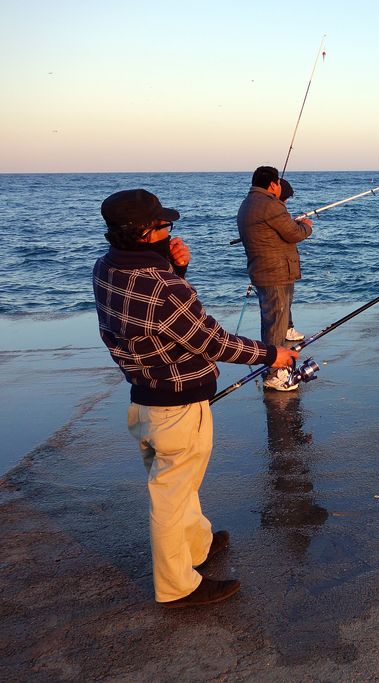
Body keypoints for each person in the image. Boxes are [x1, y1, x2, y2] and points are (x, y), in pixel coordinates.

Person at [93, 188, 299, 608]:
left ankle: (198, 546)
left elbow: (158, 321)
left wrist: (175, 267)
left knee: (180, 482)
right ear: (146, 232)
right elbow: (211, 341)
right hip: (177, 404)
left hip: (146, 398)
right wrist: (272, 354)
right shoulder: (163, 286)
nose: (171, 229)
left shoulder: (106, 268)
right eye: (164, 225)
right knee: (169, 495)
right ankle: (177, 586)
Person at [236, 166, 313, 391]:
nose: (280, 187)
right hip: (274, 272)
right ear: (272, 185)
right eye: (278, 183)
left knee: (274, 321)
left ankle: (276, 367)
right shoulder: (270, 205)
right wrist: (306, 226)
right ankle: (274, 374)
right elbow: (294, 234)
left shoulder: (248, 203)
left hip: (265, 270)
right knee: (275, 323)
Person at [277, 178, 304, 343]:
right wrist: (304, 226)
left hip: (281, 266)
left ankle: (287, 328)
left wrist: (291, 224)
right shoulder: (277, 210)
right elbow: (293, 235)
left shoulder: (274, 210)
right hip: (281, 267)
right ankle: (286, 330)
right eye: (286, 197)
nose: (287, 201)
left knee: (284, 301)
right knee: (283, 300)